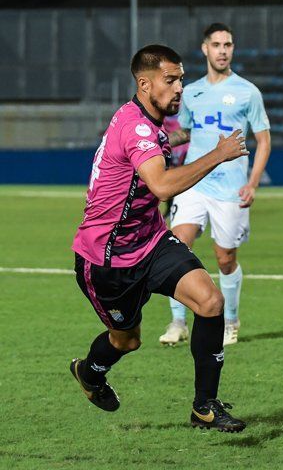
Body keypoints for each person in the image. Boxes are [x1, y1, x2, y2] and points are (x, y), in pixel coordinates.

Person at [70, 44, 247, 431]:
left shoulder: (152, 123)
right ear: (145, 83)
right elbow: (163, 185)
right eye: (171, 79)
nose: (180, 87)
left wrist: (193, 136)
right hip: (107, 259)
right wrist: (218, 154)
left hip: (150, 241)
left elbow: (161, 167)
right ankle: (89, 372)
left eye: (181, 78)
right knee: (127, 341)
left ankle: (205, 405)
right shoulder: (135, 127)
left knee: (210, 301)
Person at [159, 23, 271, 347]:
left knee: (225, 258)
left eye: (228, 44)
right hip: (195, 183)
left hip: (231, 188)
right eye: (217, 44)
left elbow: (263, 141)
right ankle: (178, 321)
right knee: (176, 249)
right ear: (205, 49)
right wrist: (161, 141)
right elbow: (188, 133)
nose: (223, 50)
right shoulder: (191, 92)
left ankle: (231, 320)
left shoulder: (248, 92)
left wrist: (253, 184)